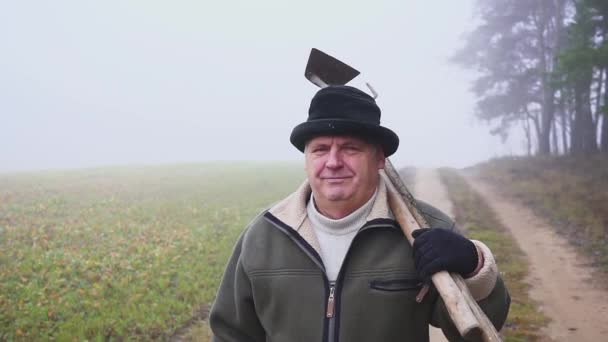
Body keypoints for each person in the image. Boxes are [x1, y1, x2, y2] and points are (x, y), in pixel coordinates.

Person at [209, 85, 510, 341]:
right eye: (320, 149)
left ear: (379, 158)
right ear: (306, 159)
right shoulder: (264, 236)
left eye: (350, 148)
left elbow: (476, 329)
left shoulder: (426, 230)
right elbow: (230, 333)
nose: (333, 161)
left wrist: (474, 267)